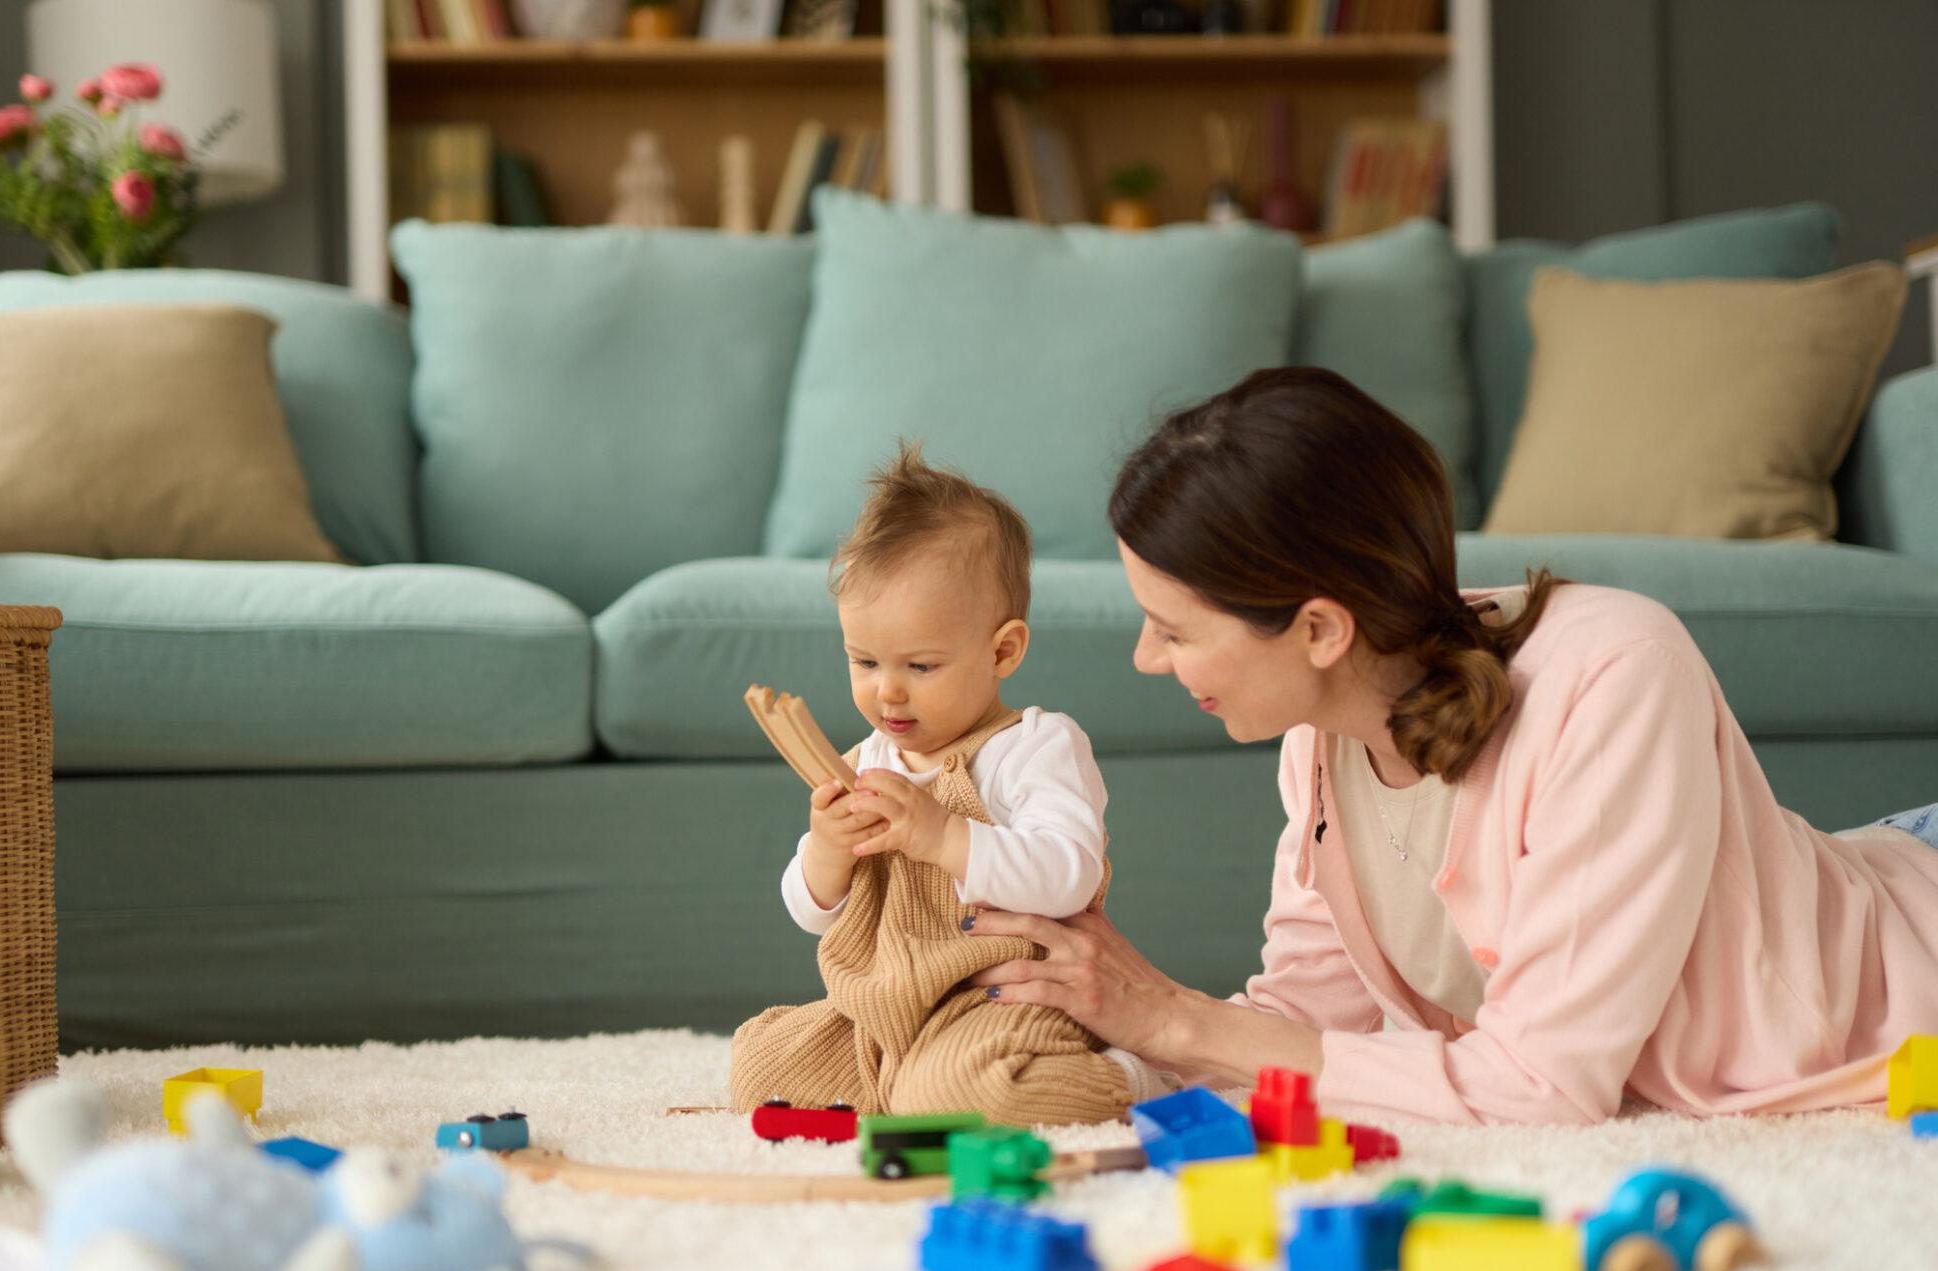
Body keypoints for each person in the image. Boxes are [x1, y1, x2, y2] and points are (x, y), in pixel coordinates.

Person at [964, 366, 1938, 1127]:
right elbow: (1306, 1022)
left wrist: (1172, 1018)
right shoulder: (1321, 739)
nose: (1143, 657)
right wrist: (1097, 1042)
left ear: (1316, 629)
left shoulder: (1611, 671)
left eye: (1172, 629)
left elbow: (1543, 1087)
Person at [728, 443, 1166, 1127]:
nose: (887, 690)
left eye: (922, 665)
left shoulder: (1035, 746)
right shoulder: (868, 758)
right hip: (886, 1011)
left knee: (970, 1094)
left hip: (998, 1002)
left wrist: (943, 835)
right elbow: (810, 912)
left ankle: (1130, 1074)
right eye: (864, 660)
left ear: (1003, 651)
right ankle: (898, 1090)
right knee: (759, 1066)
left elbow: (1070, 875)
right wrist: (827, 853)